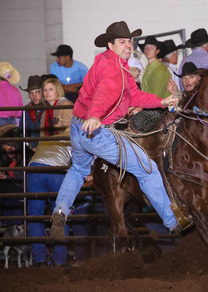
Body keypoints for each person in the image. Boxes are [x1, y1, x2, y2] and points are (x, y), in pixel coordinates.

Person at [49, 20, 181, 239]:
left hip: (78, 129)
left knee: (79, 170)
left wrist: (161, 101)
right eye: (122, 42)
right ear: (110, 45)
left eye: (129, 41)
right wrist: (95, 115)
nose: (128, 45)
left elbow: (134, 95)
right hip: (96, 130)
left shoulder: (109, 63)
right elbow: (104, 93)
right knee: (146, 169)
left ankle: (60, 211)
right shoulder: (113, 71)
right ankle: (172, 221)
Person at [27, 132, 74, 266]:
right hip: (57, 170)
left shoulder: (49, 137)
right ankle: (58, 260)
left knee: (35, 215)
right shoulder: (77, 137)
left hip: (35, 167)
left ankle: (39, 259)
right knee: (61, 213)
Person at [19, 75, 45, 149]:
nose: (34, 96)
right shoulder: (26, 110)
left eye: (37, 92)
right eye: (31, 93)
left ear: (43, 92)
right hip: (31, 148)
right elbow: (22, 131)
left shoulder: (49, 109)